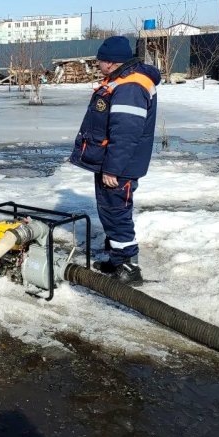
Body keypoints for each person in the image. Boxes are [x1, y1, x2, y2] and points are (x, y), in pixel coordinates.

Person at [69, 36, 161, 285]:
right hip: (112, 162)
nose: (97, 65)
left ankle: (129, 267)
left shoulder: (130, 87)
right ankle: (117, 259)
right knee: (110, 211)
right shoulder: (121, 80)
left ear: (110, 62)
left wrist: (112, 168)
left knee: (117, 213)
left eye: (99, 61)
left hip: (120, 167)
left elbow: (126, 133)